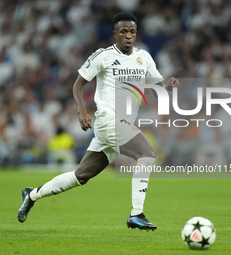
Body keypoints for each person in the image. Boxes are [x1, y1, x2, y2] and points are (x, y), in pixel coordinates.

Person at [17, 12, 180, 230]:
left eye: (132, 31)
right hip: (108, 121)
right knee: (147, 154)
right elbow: (78, 84)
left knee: (80, 176)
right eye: (123, 31)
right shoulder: (102, 56)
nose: (128, 35)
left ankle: (32, 194)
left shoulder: (144, 58)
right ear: (115, 34)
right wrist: (82, 112)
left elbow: (158, 91)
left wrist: (168, 87)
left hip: (121, 125)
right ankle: (136, 214)